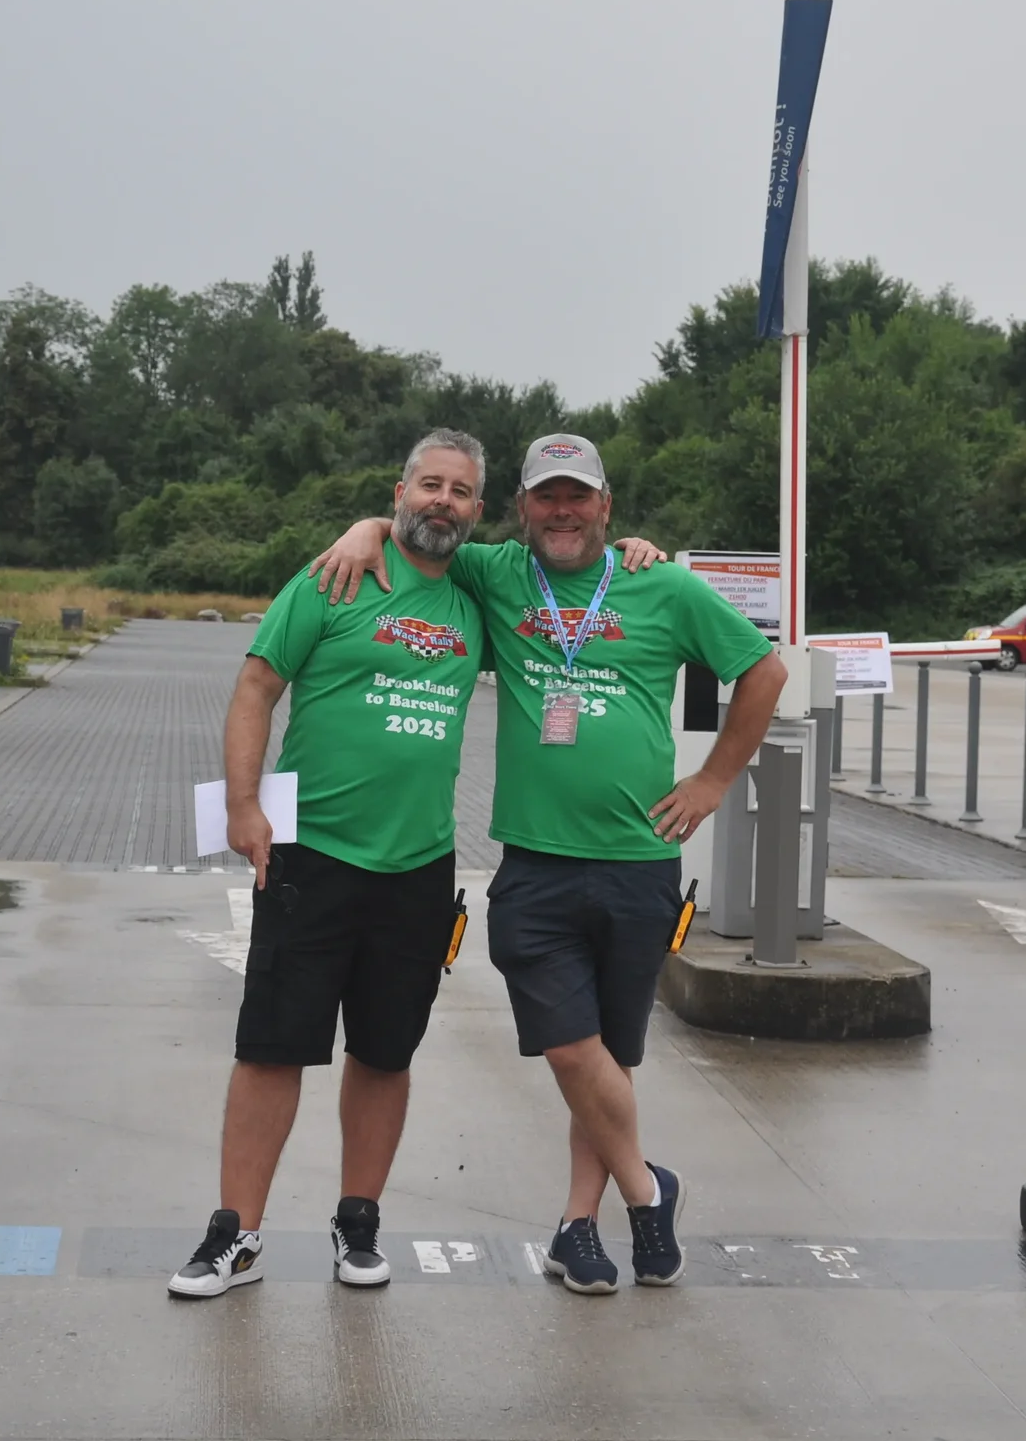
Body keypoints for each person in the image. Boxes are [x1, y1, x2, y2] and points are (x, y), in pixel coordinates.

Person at [312, 432, 787, 1294]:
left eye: (579, 497)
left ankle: (579, 1226)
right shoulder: (495, 575)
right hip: (534, 863)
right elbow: (423, 525)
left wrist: (715, 780)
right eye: (545, 498)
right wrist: (361, 529)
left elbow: (761, 670)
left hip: (641, 859)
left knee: (610, 1056)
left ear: (606, 506)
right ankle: (648, 1190)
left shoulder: (663, 583)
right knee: (574, 1052)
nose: (562, 512)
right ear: (523, 512)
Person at [166, 430, 492, 1298]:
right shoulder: (335, 577)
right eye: (430, 485)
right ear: (399, 491)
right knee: (273, 1047)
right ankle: (237, 1234)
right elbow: (257, 686)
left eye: (460, 492)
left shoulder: (478, 596)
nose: (443, 503)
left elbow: (571, 570)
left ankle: (359, 1224)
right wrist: (243, 806)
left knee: (386, 1054)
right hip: (310, 853)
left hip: (419, 865)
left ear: (478, 512)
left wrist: (640, 552)